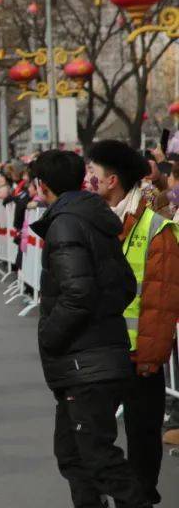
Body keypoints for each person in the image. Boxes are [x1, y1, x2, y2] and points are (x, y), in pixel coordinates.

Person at [28, 150, 148, 508]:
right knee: (72, 455)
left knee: (97, 458)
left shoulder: (67, 223)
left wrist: (50, 334)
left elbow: (78, 292)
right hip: (94, 358)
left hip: (87, 364)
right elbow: (122, 284)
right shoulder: (92, 218)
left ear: (42, 185)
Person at [85, 140, 179, 505]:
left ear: (112, 180)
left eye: (92, 174)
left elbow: (162, 300)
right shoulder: (91, 218)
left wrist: (150, 358)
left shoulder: (157, 227)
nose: (87, 180)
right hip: (99, 354)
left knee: (141, 443)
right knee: (92, 439)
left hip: (140, 360)